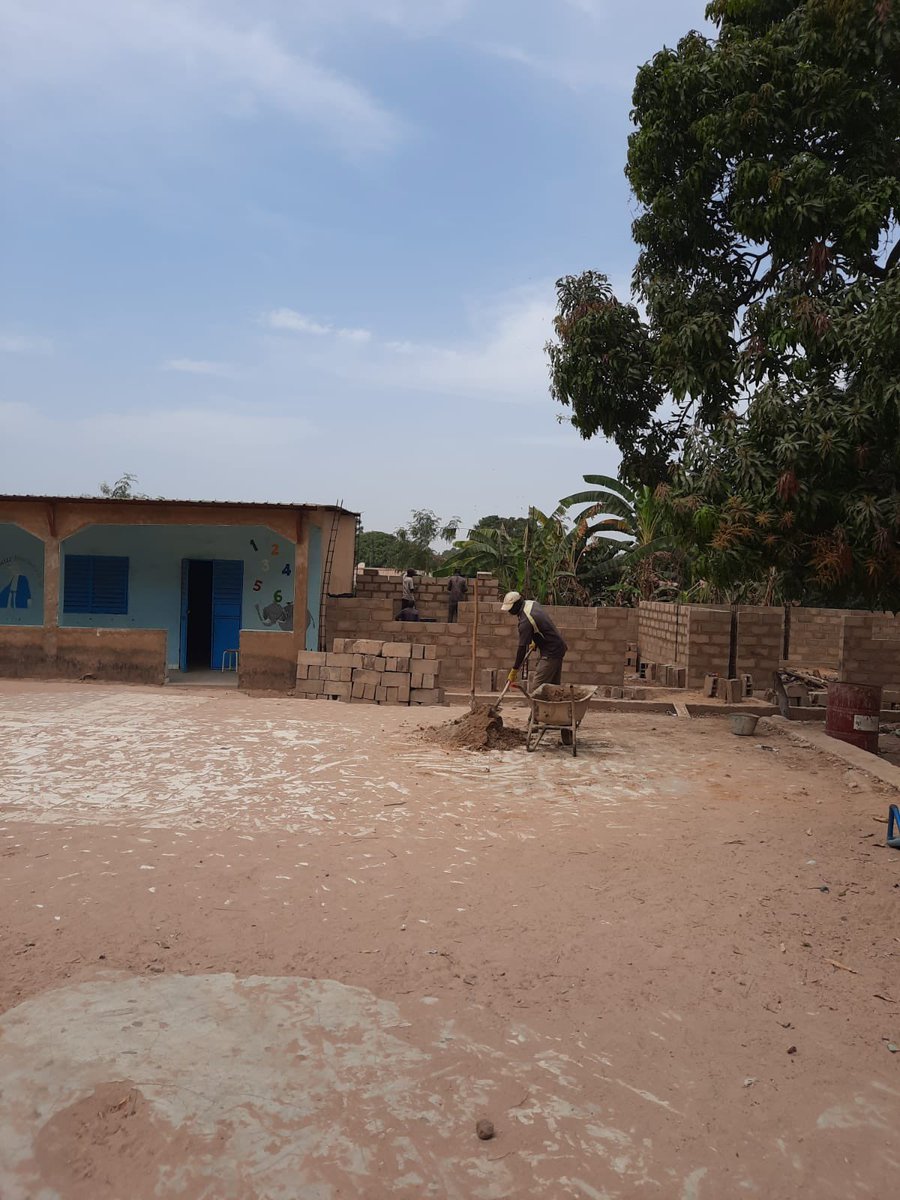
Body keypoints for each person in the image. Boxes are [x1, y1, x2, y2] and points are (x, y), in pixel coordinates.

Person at [501, 590, 568, 693]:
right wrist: (535, 639)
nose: (509, 612)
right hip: (558, 646)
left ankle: (536, 709)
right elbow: (541, 623)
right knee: (553, 689)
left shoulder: (525, 622)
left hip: (551, 652)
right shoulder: (531, 603)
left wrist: (514, 670)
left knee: (536, 690)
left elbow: (522, 649)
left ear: (517, 604)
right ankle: (554, 709)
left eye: (510, 609)